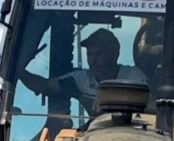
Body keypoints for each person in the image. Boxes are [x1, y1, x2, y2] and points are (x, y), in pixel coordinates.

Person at [20, 26, 148, 121]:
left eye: (99, 54)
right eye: (89, 54)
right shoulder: (82, 79)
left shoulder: (133, 76)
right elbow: (43, 86)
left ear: (115, 54)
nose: (93, 60)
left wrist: (109, 97)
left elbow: (151, 105)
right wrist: (18, 71)